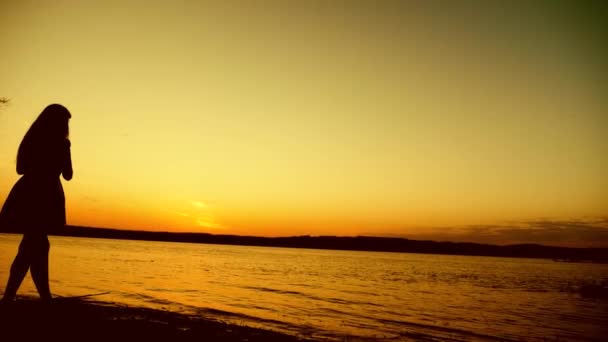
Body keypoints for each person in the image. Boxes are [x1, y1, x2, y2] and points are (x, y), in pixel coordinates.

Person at [0, 104, 73, 302]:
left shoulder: (30, 139)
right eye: (66, 122)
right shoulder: (62, 144)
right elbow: (68, 175)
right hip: (46, 195)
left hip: (28, 191)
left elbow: (20, 169)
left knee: (33, 245)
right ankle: (30, 297)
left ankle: (22, 296)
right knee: (35, 245)